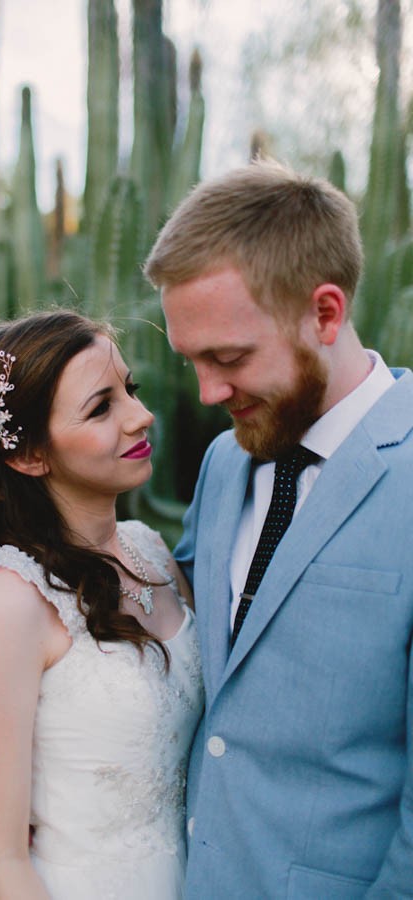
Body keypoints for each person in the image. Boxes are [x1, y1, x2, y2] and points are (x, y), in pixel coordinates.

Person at [144, 160, 413, 898]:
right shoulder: (225, 461)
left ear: (324, 313)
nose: (208, 392)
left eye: (228, 358)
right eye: (192, 360)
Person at [0, 309, 203, 900]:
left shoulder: (155, 554)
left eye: (129, 390)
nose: (142, 416)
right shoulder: (10, 601)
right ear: (29, 455)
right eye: (101, 406)